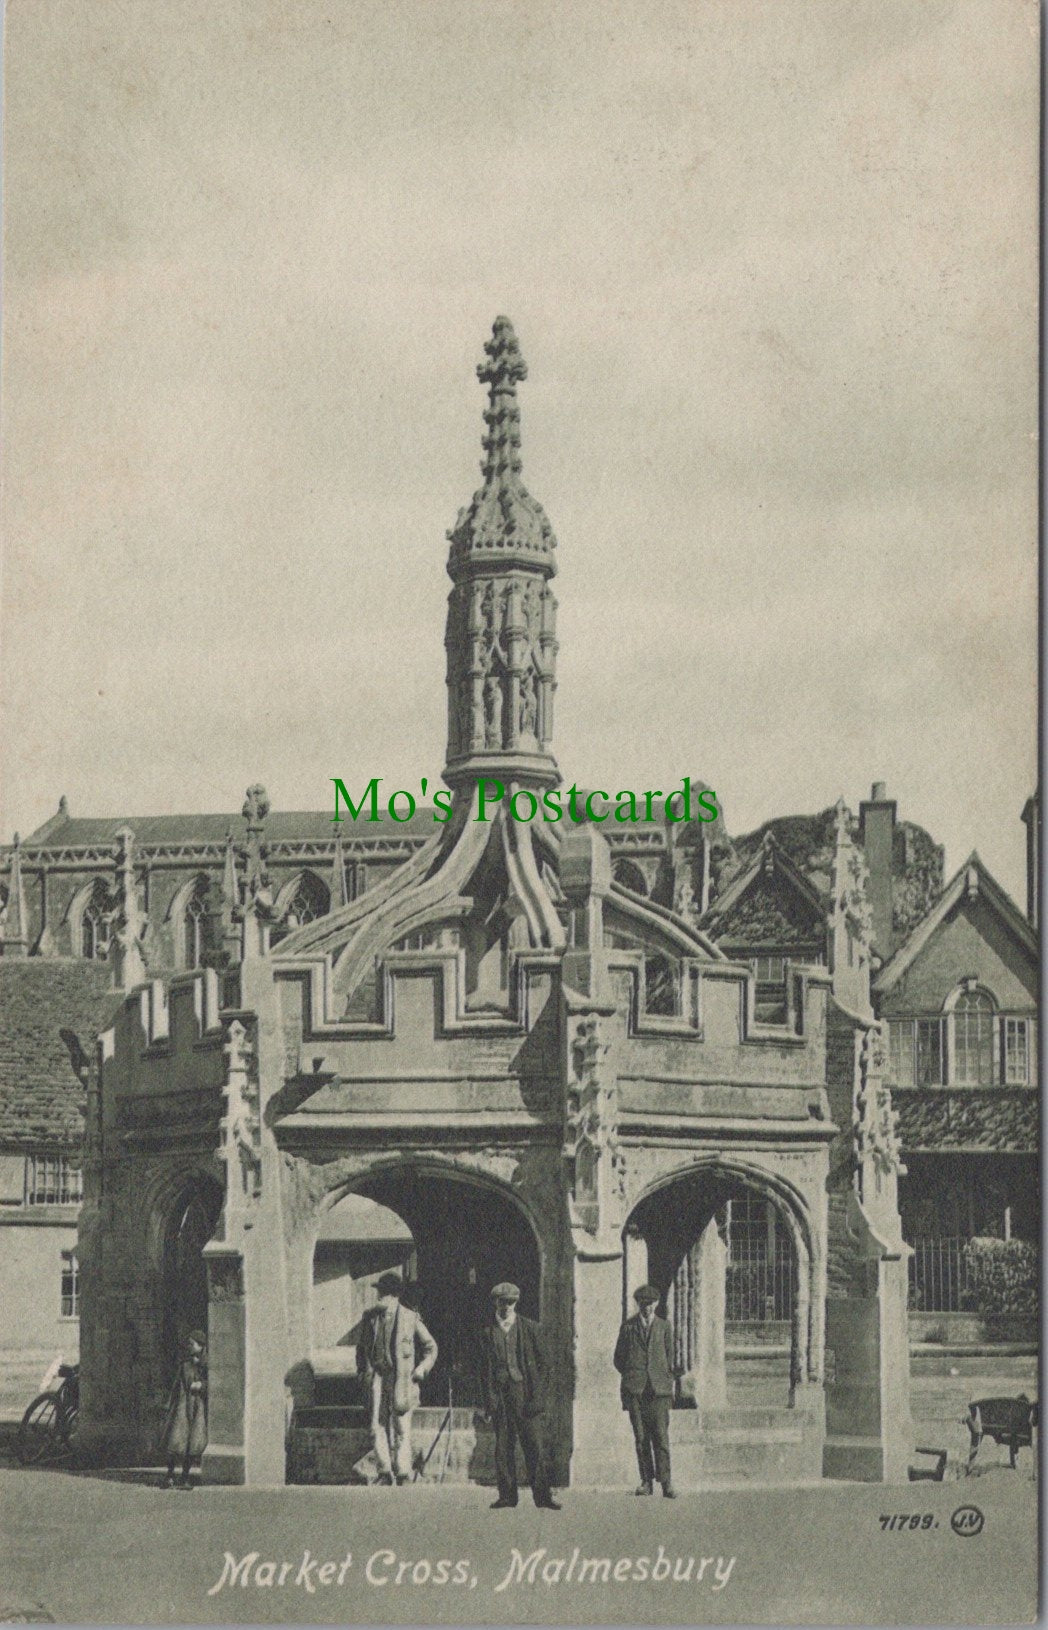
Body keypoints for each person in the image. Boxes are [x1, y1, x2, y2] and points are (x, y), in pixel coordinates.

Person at [479, 1282, 560, 1511]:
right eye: (502, 1302)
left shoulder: (530, 1328)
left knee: (533, 1445)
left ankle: (543, 1497)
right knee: (503, 1447)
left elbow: (545, 1366)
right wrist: (488, 1402)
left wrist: (538, 1398)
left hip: (524, 1394)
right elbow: (483, 1371)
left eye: (510, 1302)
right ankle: (507, 1496)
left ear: (516, 1303)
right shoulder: (486, 1331)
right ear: (495, 1302)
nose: (506, 1307)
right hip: (500, 1395)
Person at [356, 1272, 438, 1485]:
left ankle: (403, 1473)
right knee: (376, 1426)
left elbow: (431, 1347)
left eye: (384, 1293)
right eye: (380, 1292)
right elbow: (362, 1349)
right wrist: (363, 1373)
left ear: (394, 1295)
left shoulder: (410, 1318)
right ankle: (384, 1471)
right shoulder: (370, 1318)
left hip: (402, 1380)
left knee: (401, 1426)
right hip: (378, 1378)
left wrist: (421, 1369)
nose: (379, 1297)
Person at [613, 1283, 677, 1498]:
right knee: (641, 1439)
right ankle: (646, 1481)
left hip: (658, 1391)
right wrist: (634, 1376)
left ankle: (666, 1482)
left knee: (661, 1437)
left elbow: (670, 1358)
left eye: (650, 1304)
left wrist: (664, 1380)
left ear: (656, 1304)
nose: (647, 1307)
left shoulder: (664, 1326)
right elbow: (618, 1359)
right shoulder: (628, 1327)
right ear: (638, 1304)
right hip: (636, 1390)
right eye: (643, 1303)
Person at [159, 1330, 208, 1488]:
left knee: (192, 1443)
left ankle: (185, 1477)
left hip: (197, 1407)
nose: (189, 1346)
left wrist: (202, 1385)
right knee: (176, 1440)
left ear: (200, 1346)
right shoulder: (185, 1363)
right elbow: (176, 1384)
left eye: (192, 1343)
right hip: (182, 1405)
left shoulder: (206, 1363)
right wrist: (169, 1404)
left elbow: (214, 1383)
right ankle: (169, 1475)